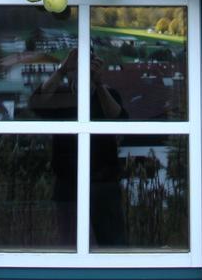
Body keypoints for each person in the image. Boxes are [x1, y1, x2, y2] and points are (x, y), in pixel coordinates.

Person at [29, 48, 128, 249]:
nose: (81, 71)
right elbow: (37, 103)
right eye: (78, 65)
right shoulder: (61, 96)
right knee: (70, 246)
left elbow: (119, 121)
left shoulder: (108, 94)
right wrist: (62, 70)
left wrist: (99, 83)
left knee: (113, 246)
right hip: (68, 184)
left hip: (104, 184)